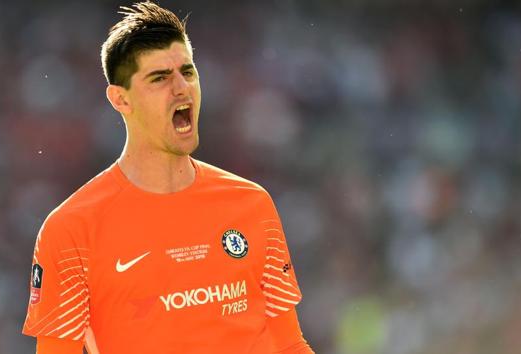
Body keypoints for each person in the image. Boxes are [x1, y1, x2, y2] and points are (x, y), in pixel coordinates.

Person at [22, 2, 314, 353]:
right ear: (120, 100)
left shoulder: (252, 204)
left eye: (188, 72)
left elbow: (289, 346)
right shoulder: (71, 230)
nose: (181, 88)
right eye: (160, 78)